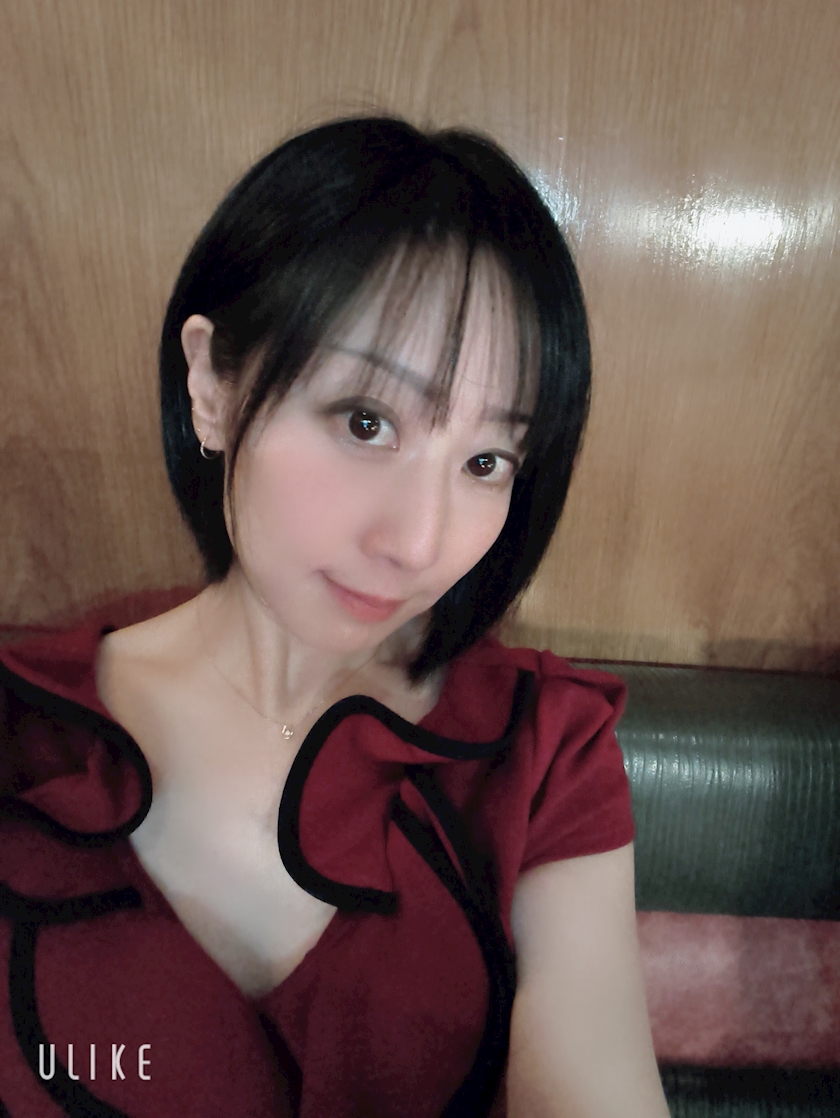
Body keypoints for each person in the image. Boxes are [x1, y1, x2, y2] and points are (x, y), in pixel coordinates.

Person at [0, 117, 669, 1117]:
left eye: (486, 461)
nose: (420, 541)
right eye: (367, 421)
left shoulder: (543, 753)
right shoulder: (23, 733)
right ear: (212, 384)